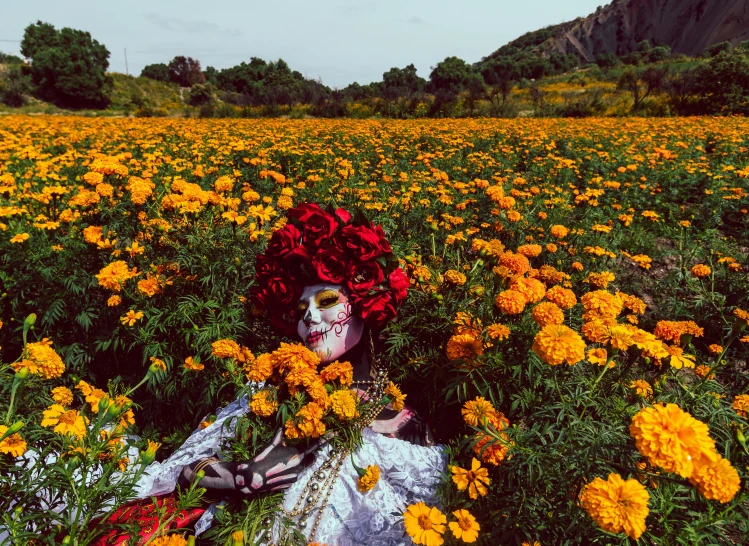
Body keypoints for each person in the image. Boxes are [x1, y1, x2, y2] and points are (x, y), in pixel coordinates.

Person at [98, 204, 447, 545]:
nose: (309, 317)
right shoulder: (268, 396)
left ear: (365, 302)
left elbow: (424, 524)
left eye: (326, 300)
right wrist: (242, 476)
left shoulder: (401, 423)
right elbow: (183, 474)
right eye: (300, 309)